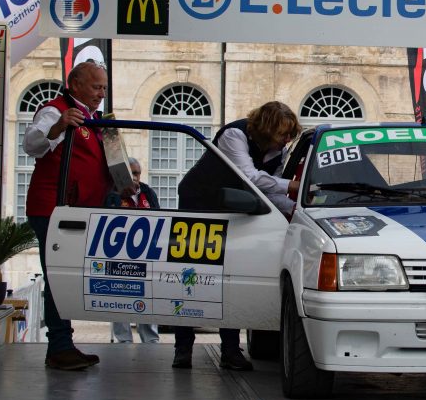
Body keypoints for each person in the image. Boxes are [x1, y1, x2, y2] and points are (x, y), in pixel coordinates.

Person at [172, 101, 301, 370]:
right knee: (188, 277)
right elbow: (251, 177)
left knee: (228, 280)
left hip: (233, 212)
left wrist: (298, 210)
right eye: (283, 133)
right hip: (199, 208)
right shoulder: (235, 135)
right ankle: (182, 348)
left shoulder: (276, 150)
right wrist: (291, 186)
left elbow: (270, 194)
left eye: (290, 134)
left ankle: (230, 350)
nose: (287, 139)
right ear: (267, 129)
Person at [25, 60, 119, 371]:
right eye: (96, 87)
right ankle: (60, 345)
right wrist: (59, 125)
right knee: (57, 278)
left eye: (104, 87)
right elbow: (32, 144)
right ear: (75, 83)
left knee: (66, 278)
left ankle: (63, 343)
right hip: (53, 210)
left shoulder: (94, 118)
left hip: (80, 212)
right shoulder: (56, 110)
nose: (101, 93)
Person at [105, 157, 160, 344]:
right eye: (130, 173)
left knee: (148, 298)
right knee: (118, 300)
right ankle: (123, 342)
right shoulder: (111, 194)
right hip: (117, 257)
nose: (134, 177)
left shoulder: (148, 193)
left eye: (136, 173)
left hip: (144, 256)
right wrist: (119, 195)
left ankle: (151, 341)